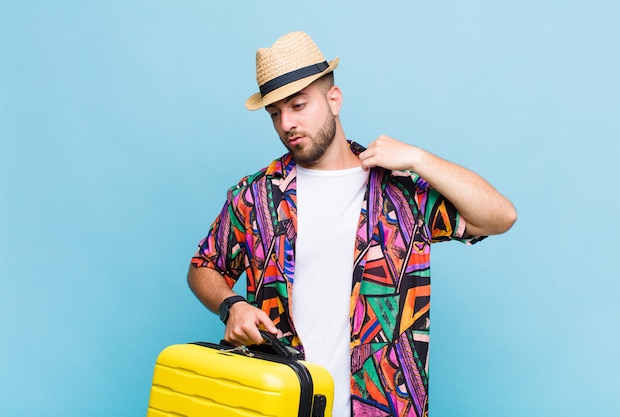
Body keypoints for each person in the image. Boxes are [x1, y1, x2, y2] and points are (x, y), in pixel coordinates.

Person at [187, 31, 516, 417]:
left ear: (334, 99)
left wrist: (418, 158)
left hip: (384, 405)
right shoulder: (256, 196)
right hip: (281, 403)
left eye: (298, 105)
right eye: (275, 113)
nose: (287, 123)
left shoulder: (399, 192)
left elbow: (499, 216)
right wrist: (232, 306)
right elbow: (203, 266)